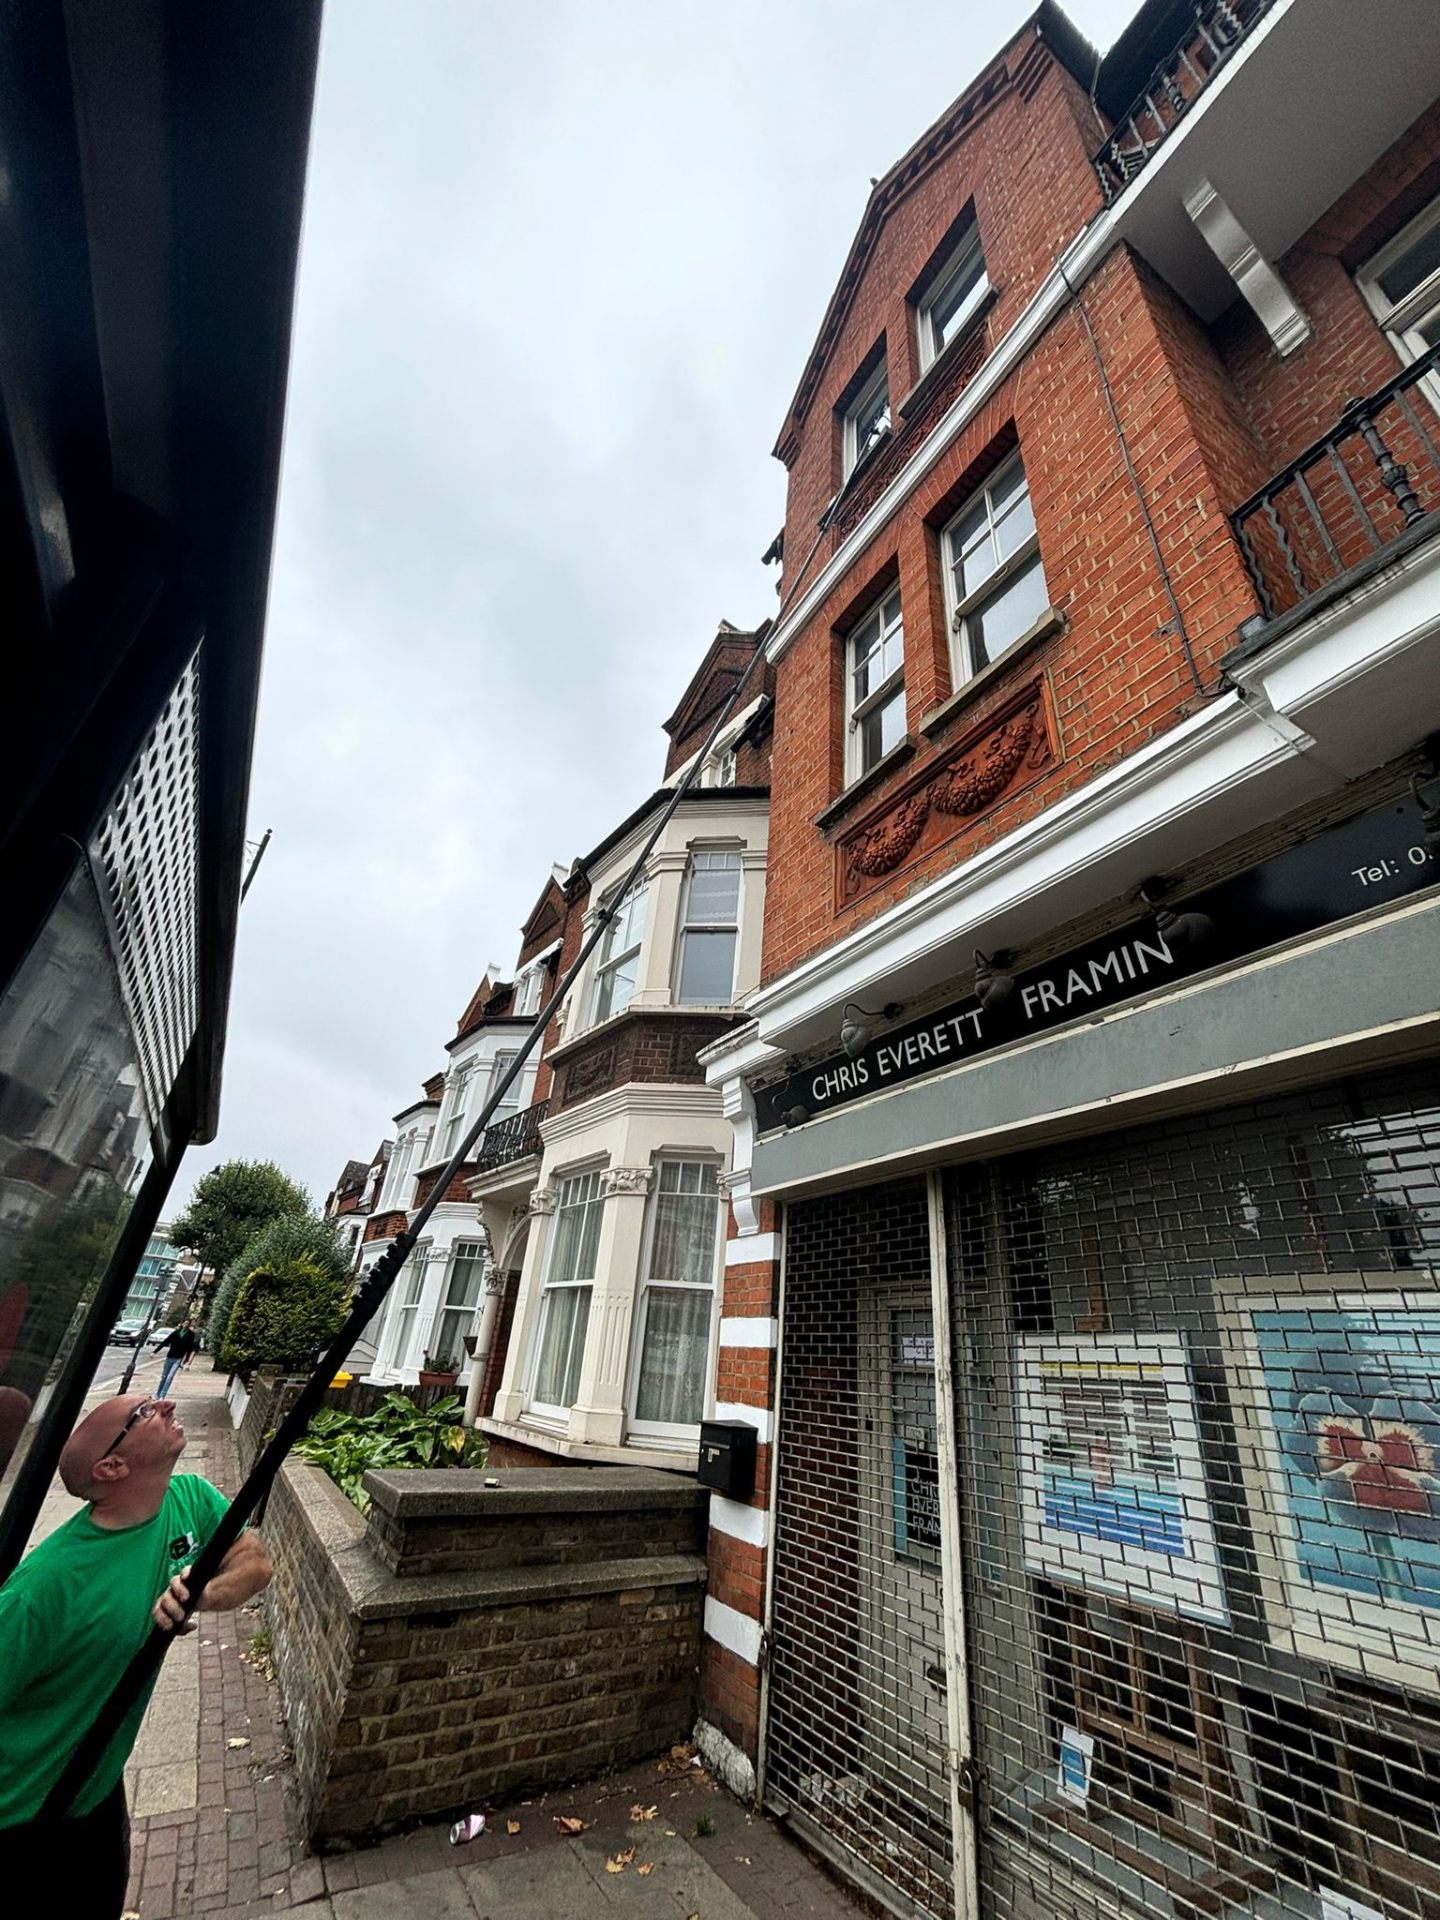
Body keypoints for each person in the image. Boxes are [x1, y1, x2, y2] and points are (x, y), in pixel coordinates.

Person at [0, 1392, 271, 1917]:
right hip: (19, 1818)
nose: (167, 1404)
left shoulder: (188, 1498)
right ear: (112, 1466)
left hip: (97, 1790)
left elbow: (254, 1563)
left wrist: (203, 1592)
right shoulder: (42, 1590)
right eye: (142, 1413)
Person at [156, 1322, 199, 1399]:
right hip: (170, 1357)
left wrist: (186, 1361)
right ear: (182, 1324)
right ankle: (157, 1393)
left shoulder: (190, 1334)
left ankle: (162, 1395)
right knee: (164, 1376)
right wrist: (155, 1351)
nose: (186, 1325)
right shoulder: (176, 1333)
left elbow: (189, 1348)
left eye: (187, 1323)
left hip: (178, 1358)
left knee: (170, 1377)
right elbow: (166, 1341)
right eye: (185, 1323)